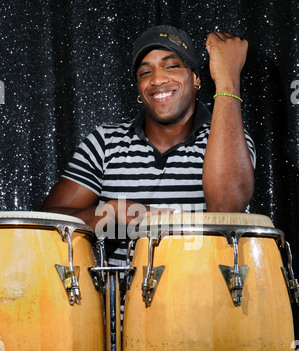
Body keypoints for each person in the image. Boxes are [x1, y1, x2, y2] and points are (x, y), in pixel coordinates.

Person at [41, 25, 255, 266]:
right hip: (116, 302)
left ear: (195, 78)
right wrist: (110, 213)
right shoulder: (106, 142)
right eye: (145, 73)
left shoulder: (228, 138)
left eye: (172, 66)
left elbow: (225, 208)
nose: (157, 79)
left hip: (201, 298)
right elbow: (46, 226)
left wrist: (227, 81)